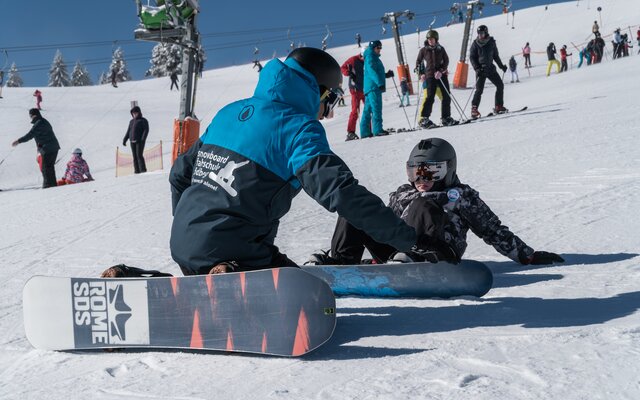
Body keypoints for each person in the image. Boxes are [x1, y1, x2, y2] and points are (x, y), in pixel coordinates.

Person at [157, 47, 429, 278]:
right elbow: (342, 193)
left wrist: (190, 227)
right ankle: (232, 272)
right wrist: (408, 239)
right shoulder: (298, 128)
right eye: (332, 100)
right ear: (318, 92)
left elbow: (179, 174)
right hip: (240, 250)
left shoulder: (228, 113)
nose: (327, 112)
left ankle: (209, 273)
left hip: (182, 244)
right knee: (312, 295)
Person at [306, 138, 565, 267]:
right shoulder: (402, 194)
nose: (422, 179)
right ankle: (342, 263)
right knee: (358, 211)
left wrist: (527, 256)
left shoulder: (461, 196)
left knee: (424, 204)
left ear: (448, 170)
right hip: (398, 254)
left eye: (431, 171)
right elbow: (380, 226)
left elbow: (492, 230)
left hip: (438, 254)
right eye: (416, 172)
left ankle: (410, 259)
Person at [415, 30, 457, 128]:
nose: (430, 41)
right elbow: (418, 63)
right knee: (430, 97)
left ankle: (446, 118)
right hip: (429, 76)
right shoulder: (423, 50)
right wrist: (421, 74)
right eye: (429, 39)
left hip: (441, 75)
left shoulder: (441, 49)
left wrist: (441, 70)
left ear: (436, 39)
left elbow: (446, 60)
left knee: (446, 96)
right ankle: (424, 119)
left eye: (432, 39)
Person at [11, 108, 60, 189]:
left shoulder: (39, 123)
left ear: (33, 115)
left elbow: (30, 135)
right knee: (49, 167)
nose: (30, 117)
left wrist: (18, 141)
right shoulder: (43, 121)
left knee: (45, 168)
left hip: (47, 148)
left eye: (30, 116)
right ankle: (52, 185)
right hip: (52, 147)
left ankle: (48, 187)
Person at [469, 25, 508, 119]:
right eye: (479, 34)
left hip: (490, 68)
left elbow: (495, 56)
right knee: (479, 90)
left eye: (482, 33)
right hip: (481, 70)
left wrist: (501, 66)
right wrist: (477, 68)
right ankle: (474, 109)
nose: (480, 35)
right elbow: (472, 57)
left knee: (500, 85)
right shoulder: (475, 44)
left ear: (486, 33)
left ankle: (498, 106)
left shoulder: (491, 42)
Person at [360, 40, 394, 137]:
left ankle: (365, 132)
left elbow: (376, 71)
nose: (380, 50)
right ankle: (378, 130)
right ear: (373, 48)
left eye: (380, 47)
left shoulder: (371, 57)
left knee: (368, 109)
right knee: (376, 108)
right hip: (373, 87)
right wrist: (379, 83)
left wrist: (386, 75)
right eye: (378, 47)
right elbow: (371, 71)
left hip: (370, 87)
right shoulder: (371, 57)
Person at [340, 50, 365, 141]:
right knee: (355, 110)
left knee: (369, 109)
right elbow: (342, 68)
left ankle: (368, 129)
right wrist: (349, 73)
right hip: (355, 88)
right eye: (364, 57)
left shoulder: (368, 59)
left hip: (365, 88)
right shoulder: (353, 59)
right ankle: (350, 132)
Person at [122, 106, 149, 174]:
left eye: (136, 113)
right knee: (134, 157)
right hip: (132, 141)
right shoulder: (131, 121)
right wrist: (125, 139)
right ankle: (137, 171)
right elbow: (128, 131)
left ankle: (143, 170)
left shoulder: (143, 120)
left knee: (139, 155)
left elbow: (146, 130)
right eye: (133, 113)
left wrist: (143, 139)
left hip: (139, 141)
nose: (134, 114)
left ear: (139, 113)